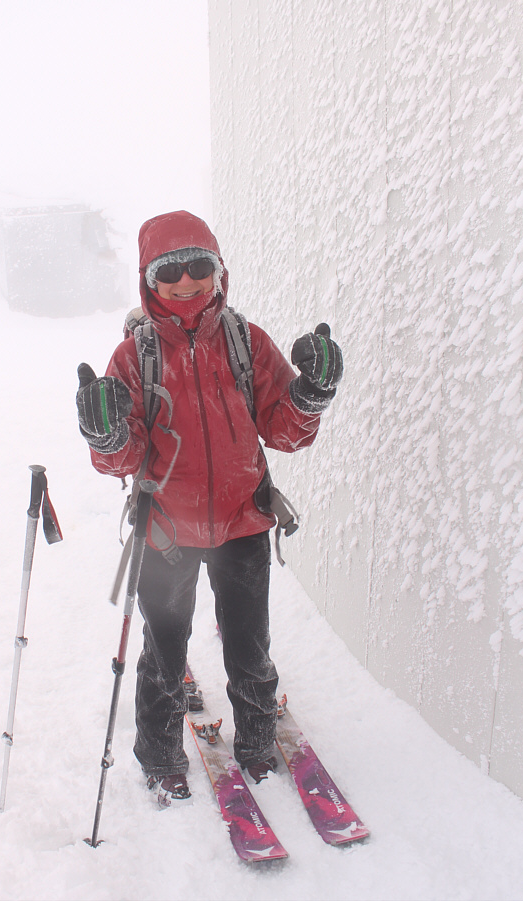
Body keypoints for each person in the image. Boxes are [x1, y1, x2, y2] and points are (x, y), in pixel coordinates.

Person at [76, 210, 343, 805]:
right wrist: (107, 437)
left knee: (250, 646)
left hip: (243, 522)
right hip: (166, 534)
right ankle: (160, 753)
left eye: (199, 266)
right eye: (168, 272)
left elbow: (284, 431)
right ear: (148, 280)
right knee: (164, 651)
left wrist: (309, 396)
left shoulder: (247, 342)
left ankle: (257, 741)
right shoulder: (135, 357)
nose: (186, 282)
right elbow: (124, 459)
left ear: (219, 270)